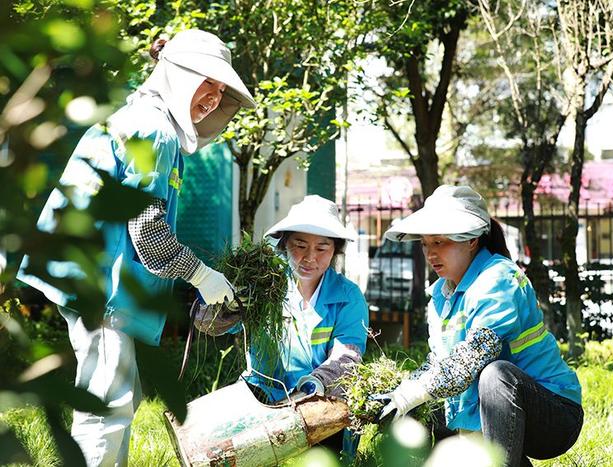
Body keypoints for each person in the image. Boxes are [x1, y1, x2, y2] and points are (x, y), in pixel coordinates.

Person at [17, 29, 255, 466]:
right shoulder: (154, 130)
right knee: (108, 405)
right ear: (180, 75)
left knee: (120, 399)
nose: (213, 100)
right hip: (103, 289)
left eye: (221, 91)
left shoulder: (148, 122)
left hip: (104, 282)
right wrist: (202, 276)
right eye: (209, 84)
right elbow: (148, 232)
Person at [373, 185, 583, 467]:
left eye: (440, 242)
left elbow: (475, 355)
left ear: (471, 240)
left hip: (553, 413)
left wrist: (416, 390)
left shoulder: (499, 278)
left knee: (495, 375)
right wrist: (403, 390)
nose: (431, 253)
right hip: (490, 413)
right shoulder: (440, 294)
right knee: (416, 404)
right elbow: (439, 364)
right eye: (425, 244)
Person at [247, 195, 369, 457]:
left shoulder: (348, 297)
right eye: (300, 245)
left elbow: (347, 356)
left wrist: (314, 384)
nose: (309, 257)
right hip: (262, 397)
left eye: (322, 248)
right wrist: (222, 306)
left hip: (319, 402)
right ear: (285, 244)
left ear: (334, 250)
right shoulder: (264, 287)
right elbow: (215, 325)